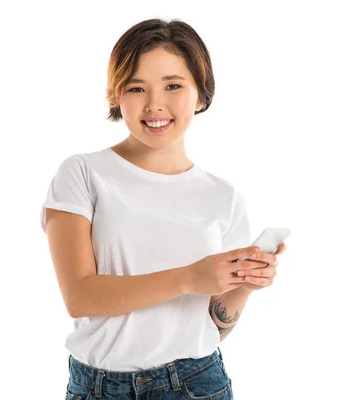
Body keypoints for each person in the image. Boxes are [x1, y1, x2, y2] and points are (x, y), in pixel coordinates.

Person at [40, 18, 286, 400]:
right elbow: (80, 296)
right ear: (117, 95)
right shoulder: (82, 173)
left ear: (201, 95)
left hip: (196, 382)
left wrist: (245, 285)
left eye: (173, 85)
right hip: (99, 386)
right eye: (137, 88)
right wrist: (190, 277)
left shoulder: (223, 196)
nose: (155, 105)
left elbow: (213, 325)